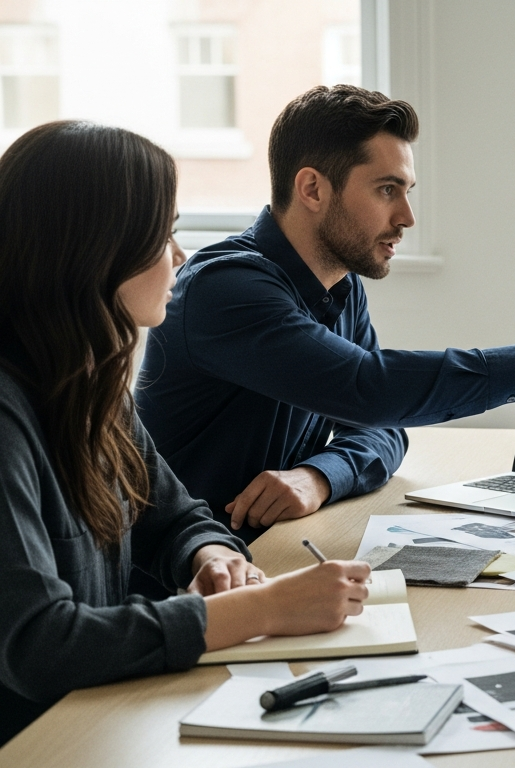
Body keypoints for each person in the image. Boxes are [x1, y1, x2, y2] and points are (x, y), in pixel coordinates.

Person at [136, 85, 515, 544]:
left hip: (263, 557)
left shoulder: (340, 284)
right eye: (386, 190)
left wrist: (320, 476)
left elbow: (383, 426)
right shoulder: (225, 289)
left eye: (407, 190)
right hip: (180, 581)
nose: (407, 216)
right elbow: (371, 389)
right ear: (312, 189)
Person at [0, 121, 371, 744]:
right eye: (162, 235)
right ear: (95, 252)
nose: (177, 256)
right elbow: (41, 646)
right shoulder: (9, 413)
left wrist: (211, 555)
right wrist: (261, 609)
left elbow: (172, 516)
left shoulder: (88, 384)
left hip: (102, 717)